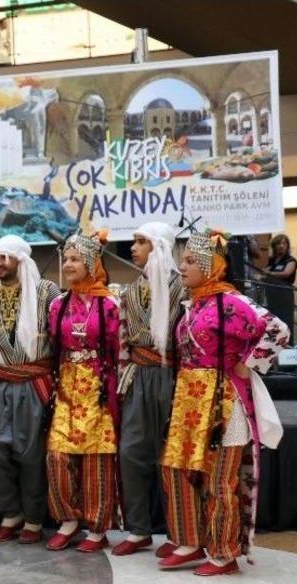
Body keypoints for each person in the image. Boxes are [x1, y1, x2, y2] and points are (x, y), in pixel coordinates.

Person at [159, 230, 289, 576]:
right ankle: (188, 540)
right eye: (182, 260)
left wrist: (249, 363)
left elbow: (277, 330)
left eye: (190, 261)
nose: (182, 268)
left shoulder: (232, 302)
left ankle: (223, 551)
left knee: (220, 479)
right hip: (190, 402)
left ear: (210, 265)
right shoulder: (193, 304)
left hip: (224, 402)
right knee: (178, 469)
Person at [0, 235, 60, 544]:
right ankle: (10, 513)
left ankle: (34, 519)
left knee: (30, 453)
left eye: (4, 257)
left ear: (20, 261)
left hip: (33, 382)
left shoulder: (47, 292)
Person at [45, 230, 120, 553]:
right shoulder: (59, 304)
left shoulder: (110, 304)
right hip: (66, 386)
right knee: (57, 455)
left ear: (91, 263)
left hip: (98, 386)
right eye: (66, 259)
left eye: (76, 259)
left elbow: (119, 350)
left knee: (96, 458)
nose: (68, 264)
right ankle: (67, 519)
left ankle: (97, 525)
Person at [114, 222, 184, 557]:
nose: (133, 247)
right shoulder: (129, 291)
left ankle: (180, 533)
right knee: (131, 452)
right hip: (140, 375)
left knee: (172, 457)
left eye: (141, 242)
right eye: (134, 241)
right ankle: (139, 529)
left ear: (159, 247)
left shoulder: (183, 287)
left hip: (175, 376)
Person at [263, 233, 297, 333]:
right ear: (274, 246)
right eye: (278, 243)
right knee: (273, 321)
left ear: (287, 246)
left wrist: (268, 273)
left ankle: (288, 344)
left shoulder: (291, 260)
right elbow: (263, 274)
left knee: (285, 321)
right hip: (272, 295)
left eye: (284, 243)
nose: (281, 246)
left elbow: (286, 273)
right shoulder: (271, 260)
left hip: (284, 294)